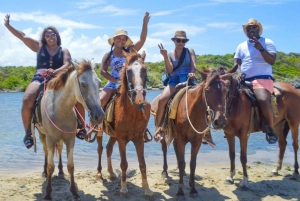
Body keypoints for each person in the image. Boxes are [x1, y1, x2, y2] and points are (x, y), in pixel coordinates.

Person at [4, 14, 86, 149]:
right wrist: (8, 26)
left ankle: (81, 127)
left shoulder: (63, 50)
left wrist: (56, 71)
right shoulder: (38, 46)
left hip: (58, 78)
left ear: (57, 35)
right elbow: (22, 36)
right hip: (39, 77)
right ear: (44, 37)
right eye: (47, 35)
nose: (50, 37)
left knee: (77, 98)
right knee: (27, 99)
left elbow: (68, 64)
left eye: (52, 34)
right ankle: (28, 134)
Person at [98, 12, 151, 141]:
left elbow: (142, 40)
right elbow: (102, 71)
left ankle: (143, 129)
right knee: (100, 101)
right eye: (118, 38)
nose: (121, 41)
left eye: (123, 39)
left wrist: (144, 24)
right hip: (113, 83)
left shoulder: (130, 51)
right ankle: (97, 127)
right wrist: (115, 80)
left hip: (129, 84)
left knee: (148, 105)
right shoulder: (108, 55)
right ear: (114, 40)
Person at [234, 18, 278, 144]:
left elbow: (272, 61)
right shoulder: (241, 45)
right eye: (248, 28)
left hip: (262, 78)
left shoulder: (267, 42)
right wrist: (239, 73)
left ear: (259, 29)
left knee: (262, 98)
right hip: (244, 79)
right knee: (227, 94)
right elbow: (237, 63)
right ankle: (230, 124)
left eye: (254, 27)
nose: (251, 30)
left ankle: (270, 129)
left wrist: (261, 48)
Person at [154, 30, 197, 141]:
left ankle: (206, 132)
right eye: (178, 40)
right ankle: (158, 128)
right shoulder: (169, 54)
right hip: (174, 80)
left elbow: (194, 65)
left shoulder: (190, 51)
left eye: (183, 40)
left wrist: (193, 72)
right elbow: (170, 70)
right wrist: (164, 57)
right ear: (174, 41)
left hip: (188, 79)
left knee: (205, 96)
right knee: (162, 100)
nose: (181, 42)